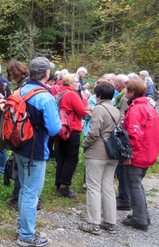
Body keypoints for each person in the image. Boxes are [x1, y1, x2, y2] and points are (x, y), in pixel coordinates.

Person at [9, 57, 61, 247]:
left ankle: (23, 225)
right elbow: (55, 129)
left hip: (18, 146)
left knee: (24, 188)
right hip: (35, 150)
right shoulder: (45, 96)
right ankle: (26, 235)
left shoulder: (21, 90)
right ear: (46, 74)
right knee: (32, 192)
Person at [78, 83, 121, 235]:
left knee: (93, 187)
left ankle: (93, 223)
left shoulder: (99, 108)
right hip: (113, 153)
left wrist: (84, 143)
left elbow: (94, 131)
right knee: (108, 187)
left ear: (99, 95)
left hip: (97, 152)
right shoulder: (116, 110)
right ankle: (110, 222)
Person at [121, 78, 159, 231]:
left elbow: (134, 135)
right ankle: (141, 214)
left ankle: (140, 219)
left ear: (131, 92)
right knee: (137, 184)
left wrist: (128, 155)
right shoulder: (148, 107)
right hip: (148, 152)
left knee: (134, 185)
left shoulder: (136, 109)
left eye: (127, 90)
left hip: (138, 154)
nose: (125, 92)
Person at [55, 73, 91, 198]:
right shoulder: (71, 94)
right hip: (72, 129)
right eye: (76, 81)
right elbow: (82, 112)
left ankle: (59, 184)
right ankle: (63, 187)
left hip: (62, 129)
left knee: (62, 157)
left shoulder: (61, 93)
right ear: (69, 83)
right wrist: (85, 98)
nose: (79, 84)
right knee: (71, 158)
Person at [5, 61, 30, 210]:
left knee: (20, 166)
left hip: (22, 130)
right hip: (29, 131)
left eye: (11, 75)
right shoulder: (29, 84)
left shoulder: (22, 88)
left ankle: (18, 199)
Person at [112, 74, 132, 211]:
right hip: (124, 136)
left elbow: (124, 119)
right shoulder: (123, 97)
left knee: (122, 169)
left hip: (124, 138)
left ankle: (125, 198)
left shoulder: (125, 99)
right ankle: (125, 196)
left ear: (118, 85)